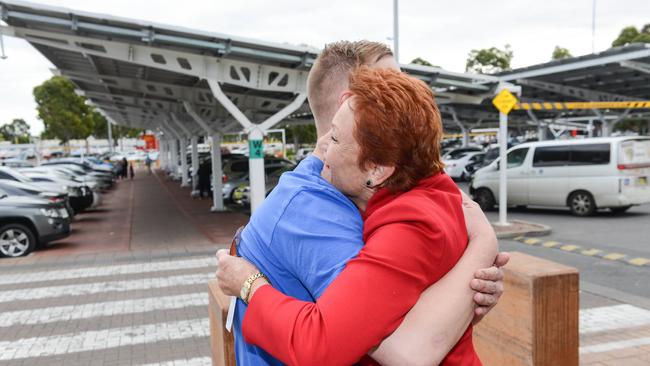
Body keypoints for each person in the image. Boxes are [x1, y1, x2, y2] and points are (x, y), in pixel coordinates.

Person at [216, 41, 507, 366]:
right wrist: (477, 258)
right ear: (348, 100)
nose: (403, 93)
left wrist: (473, 270)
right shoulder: (315, 209)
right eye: (387, 84)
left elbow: (407, 338)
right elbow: (403, 346)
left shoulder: (401, 199)